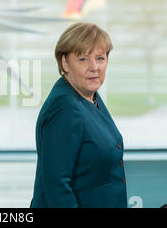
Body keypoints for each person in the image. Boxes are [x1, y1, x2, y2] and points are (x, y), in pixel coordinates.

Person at [30, 22, 127, 208]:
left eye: (100, 58)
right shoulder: (65, 108)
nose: (94, 67)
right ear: (65, 62)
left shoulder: (89, 96)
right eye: (83, 59)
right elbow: (57, 186)